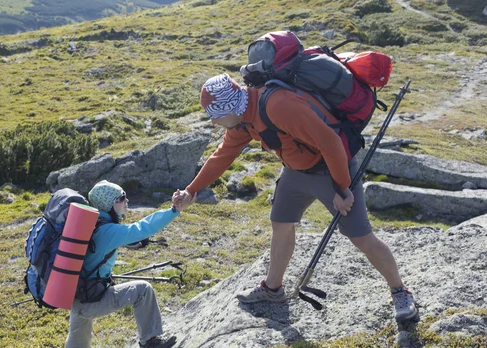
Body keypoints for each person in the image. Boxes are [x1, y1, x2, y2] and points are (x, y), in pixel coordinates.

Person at [174, 73, 418, 324]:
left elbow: (331, 143)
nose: (214, 121)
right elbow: (222, 155)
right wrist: (191, 190)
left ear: (229, 106)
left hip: (332, 170)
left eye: (215, 114)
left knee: (361, 237)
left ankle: (400, 291)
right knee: (281, 224)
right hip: (295, 172)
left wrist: (342, 189)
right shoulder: (243, 119)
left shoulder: (279, 105)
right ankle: (272, 290)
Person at [63, 180, 193, 348]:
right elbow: (143, 228)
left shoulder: (92, 223)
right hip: (91, 299)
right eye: (122, 198)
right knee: (143, 290)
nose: (127, 201)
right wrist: (174, 210)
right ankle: (149, 341)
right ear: (109, 205)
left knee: (79, 333)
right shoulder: (109, 230)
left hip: (75, 295)